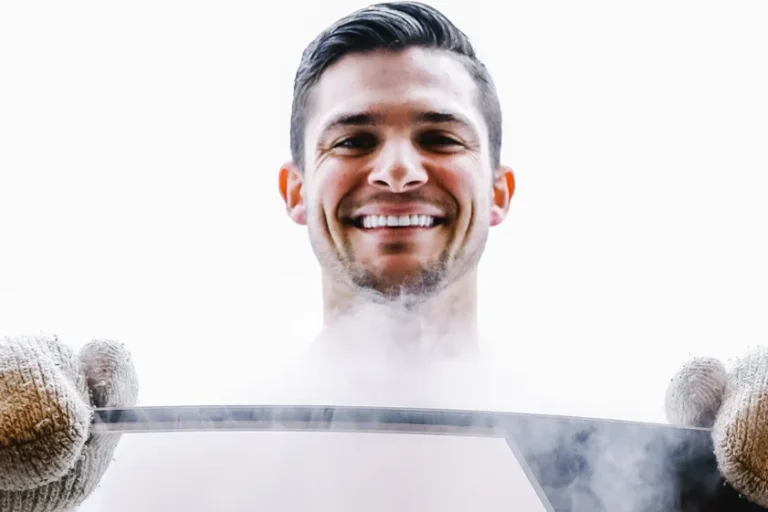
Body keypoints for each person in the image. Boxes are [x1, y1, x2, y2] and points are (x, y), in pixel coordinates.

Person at [2, 2, 767, 511]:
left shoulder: (621, 471)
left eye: (440, 136)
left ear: (499, 191)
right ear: (295, 191)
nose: (397, 169)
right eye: (354, 138)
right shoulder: (165, 473)